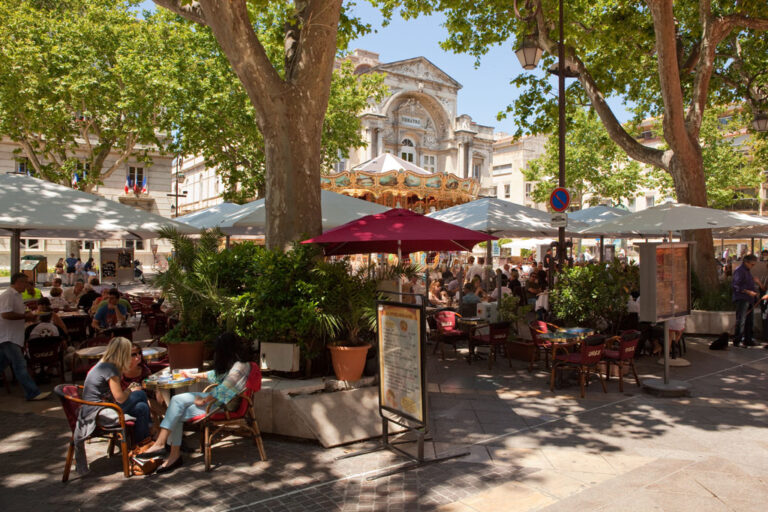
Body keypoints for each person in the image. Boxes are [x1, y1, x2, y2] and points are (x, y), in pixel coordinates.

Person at [137, 333, 252, 474]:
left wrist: (203, 400)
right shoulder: (236, 363)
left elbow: (224, 389)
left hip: (223, 405)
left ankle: (167, 450)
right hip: (219, 401)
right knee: (176, 403)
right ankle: (167, 450)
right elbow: (215, 375)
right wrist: (192, 375)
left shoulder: (240, 366)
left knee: (175, 410)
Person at [75, 337, 151, 473]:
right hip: (100, 413)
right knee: (140, 395)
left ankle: (139, 447)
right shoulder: (111, 369)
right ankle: (144, 441)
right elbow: (120, 398)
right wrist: (130, 389)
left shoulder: (103, 364)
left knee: (142, 408)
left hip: (96, 409)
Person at [0, 273, 50, 401]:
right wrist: (24, 317)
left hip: (14, 336)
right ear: (18, 282)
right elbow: (5, 314)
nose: (27, 286)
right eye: (25, 282)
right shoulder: (8, 295)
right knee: (20, 364)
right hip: (8, 336)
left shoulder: (17, 296)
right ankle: (32, 392)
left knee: (3, 363)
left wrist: (28, 314)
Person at [732, 254, 763, 347]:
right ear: (746, 262)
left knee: (749, 320)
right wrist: (748, 291)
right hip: (742, 298)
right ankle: (737, 340)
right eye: (752, 264)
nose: (752, 266)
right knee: (741, 320)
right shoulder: (739, 271)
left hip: (749, 299)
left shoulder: (747, 271)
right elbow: (736, 285)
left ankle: (748, 339)